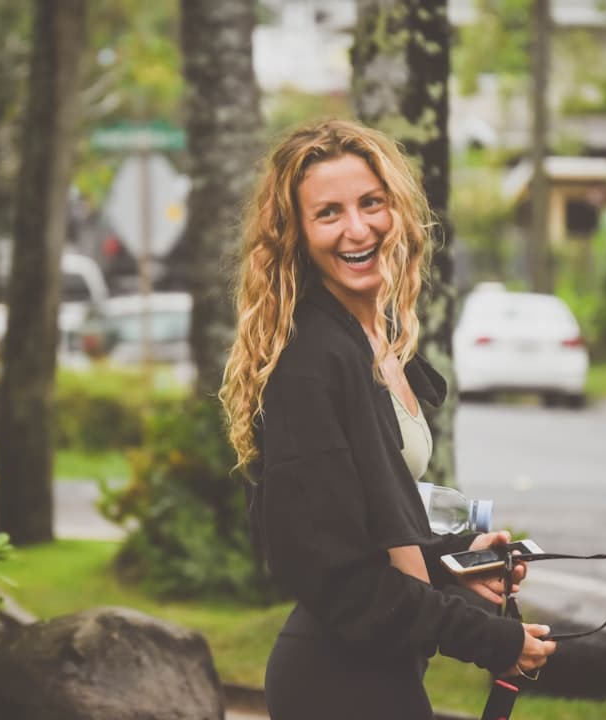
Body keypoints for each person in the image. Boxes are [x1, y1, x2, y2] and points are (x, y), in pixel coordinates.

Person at [218, 119, 556, 719]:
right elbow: (338, 576)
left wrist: (456, 563)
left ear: (397, 209)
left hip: (383, 663)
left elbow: (365, 531)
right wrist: (491, 640)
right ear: (295, 232)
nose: (358, 228)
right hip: (336, 681)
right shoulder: (309, 364)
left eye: (371, 203)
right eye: (328, 213)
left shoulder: (375, 341)